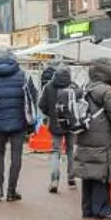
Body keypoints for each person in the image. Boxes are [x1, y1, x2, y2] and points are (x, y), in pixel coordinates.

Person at [69, 59, 111, 220]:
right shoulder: (107, 91)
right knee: (101, 174)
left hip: (84, 135)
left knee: (88, 174)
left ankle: (87, 209)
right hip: (102, 139)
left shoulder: (86, 87)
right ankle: (102, 209)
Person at [0, 48, 34, 202]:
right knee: (16, 157)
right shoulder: (23, 76)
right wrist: (30, 123)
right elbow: (31, 100)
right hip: (19, 123)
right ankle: (12, 191)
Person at [38, 63, 77, 194]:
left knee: (56, 151)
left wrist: (51, 114)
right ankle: (71, 178)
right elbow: (80, 105)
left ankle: (54, 180)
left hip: (56, 123)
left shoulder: (49, 87)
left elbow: (41, 105)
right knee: (71, 150)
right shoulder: (73, 86)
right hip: (71, 124)